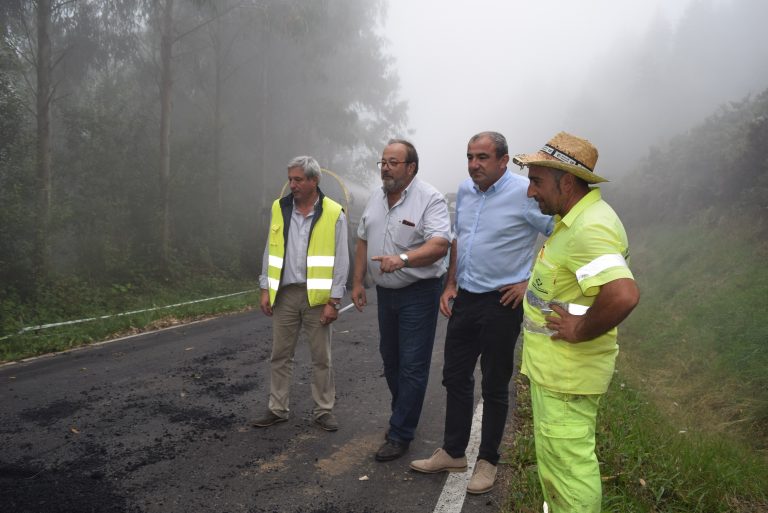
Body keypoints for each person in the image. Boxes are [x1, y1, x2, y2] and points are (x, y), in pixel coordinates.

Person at [409, 132, 553, 494]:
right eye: (470, 157)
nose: (474, 165)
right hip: (466, 299)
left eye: (483, 158)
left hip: (502, 302)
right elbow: (459, 238)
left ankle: (487, 461)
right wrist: (450, 284)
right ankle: (454, 452)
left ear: (503, 161)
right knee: (455, 377)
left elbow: (559, 234)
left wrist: (529, 282)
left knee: (494, 384)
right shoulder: (466, 191)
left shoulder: (524, 193)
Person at [514, 132, 640, 512]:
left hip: (567, 377)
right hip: (556, 373)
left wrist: (580, 329)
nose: (530, 192)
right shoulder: (575, 220)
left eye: (536, 182)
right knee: (557, 467)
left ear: (565, 181)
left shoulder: (590, 228)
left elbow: (622, 293)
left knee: (569, 473)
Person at [351, 139, 451, 462]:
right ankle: (402, 414)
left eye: (393, 162)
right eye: (382, 162)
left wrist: (404, 259)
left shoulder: (429, 199)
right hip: (386, 294)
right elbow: (363, 239)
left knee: (412, 365)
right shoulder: (375, 199)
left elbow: (440, 245)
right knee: (390, 359)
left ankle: (400, 432)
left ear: (411, 168)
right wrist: (357, 283)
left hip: (419, 293)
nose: (385, 168)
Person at [253, 156, 349, 432]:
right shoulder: (279, 208)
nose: (292, 185)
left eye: (298, 179)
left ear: (314, 180)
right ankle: (277, 408)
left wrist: (334, 300)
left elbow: (341, 260)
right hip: (284, 295)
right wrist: (264, 288)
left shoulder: (333, 212)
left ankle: (323, 411)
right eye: (290, 179)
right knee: (280, 355)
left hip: (317, 299)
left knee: (322, 358)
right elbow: (270, 249)